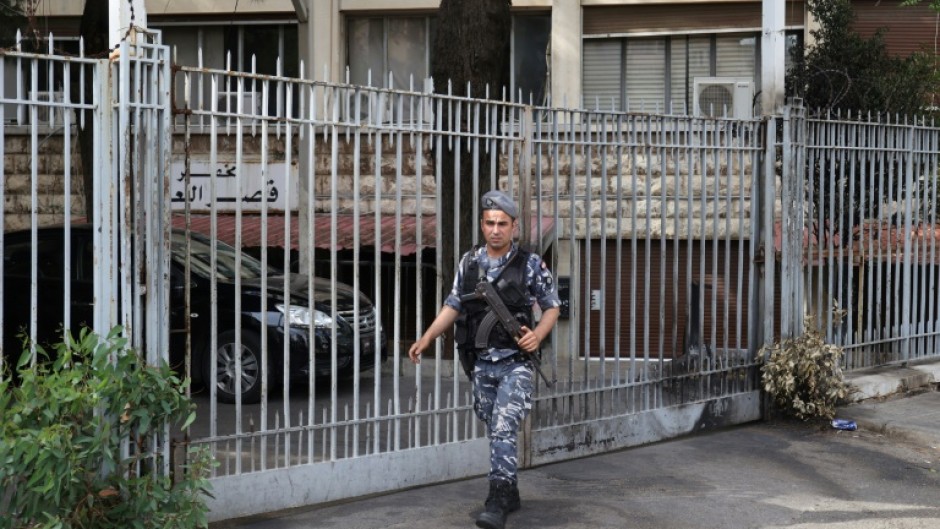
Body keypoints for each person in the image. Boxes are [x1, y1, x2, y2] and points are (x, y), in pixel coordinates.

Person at [408, 190, 561, 529]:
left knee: (505, 427)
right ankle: (512, 491)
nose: (495, 230)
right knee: (493, 427)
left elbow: (552, 306)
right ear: (482, 224)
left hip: (516, 362)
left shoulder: (530, 264)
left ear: (514, 226)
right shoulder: (470, 263)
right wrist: (428, 336)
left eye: (502, 224)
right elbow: (454, 305)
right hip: (481, 364)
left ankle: (497, 497)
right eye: (490, 223)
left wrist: (539, 335)